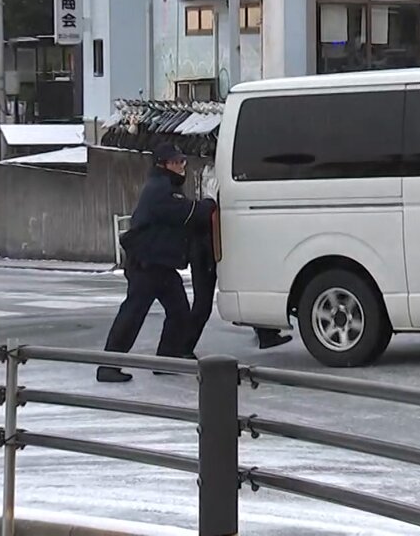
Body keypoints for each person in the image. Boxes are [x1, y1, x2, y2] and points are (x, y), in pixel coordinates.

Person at [98, 143, 215, 383]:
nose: (181, 166)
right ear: (162, 165)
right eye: (175, 162)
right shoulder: (160, 188)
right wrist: (209, 204)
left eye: (182, 161)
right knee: (133, 313)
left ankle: (166, 360)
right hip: (146, 264)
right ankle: (108, 366)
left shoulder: (165, 186)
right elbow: (186, 212)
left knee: (180, 312)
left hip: (161, 265)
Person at [185, 205, 291, 355]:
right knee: (202, 306)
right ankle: (183, 348)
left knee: (251, 286)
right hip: (207, 253)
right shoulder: (207, 209)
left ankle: (266, 333)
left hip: (211, 250)